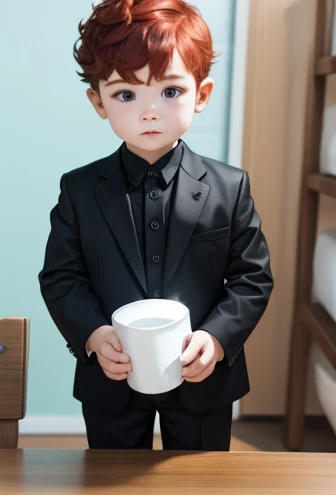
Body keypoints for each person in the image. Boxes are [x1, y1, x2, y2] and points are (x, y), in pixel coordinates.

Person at [38, 0, 274, 451]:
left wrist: (218, 338)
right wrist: (93, 334)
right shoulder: (79, 189)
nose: (149, 112)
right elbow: (61, 277)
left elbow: (252, 277)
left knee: (202, 485)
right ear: (98, 101)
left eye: (169, 92)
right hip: (113, 377)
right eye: (126, 94)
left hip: (201, 377)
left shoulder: (230, 186)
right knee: (110, 484)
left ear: (200, 95)